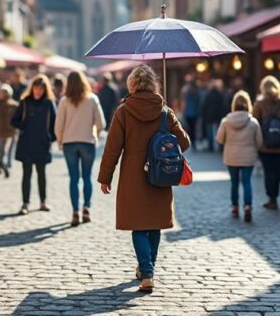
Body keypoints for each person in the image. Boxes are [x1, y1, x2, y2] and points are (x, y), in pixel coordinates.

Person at [98, 64, 190, 294]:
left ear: (132, 84)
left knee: (138, 224)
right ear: (153, 84)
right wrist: (168, 126)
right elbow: (185, 143)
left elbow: (112, 149)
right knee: (154, 223)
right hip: (160, 174)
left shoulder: (123, 111)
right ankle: (148, 269)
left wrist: (105, 177)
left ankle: (146, 272)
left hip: (133, 176)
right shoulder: (164, 111)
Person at [55, 71, 106, 226]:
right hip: (87, 142)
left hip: (69, 142)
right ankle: (86, 208)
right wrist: (96, 135)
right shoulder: (92, 99)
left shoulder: (64, 101)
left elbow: (58, 125)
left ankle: (75, 211)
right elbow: (101, 123)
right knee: (87, 177)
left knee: (74, 178)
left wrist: (60, 140)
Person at [10, 74, 57, 215]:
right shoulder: (25, 102)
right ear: (32, 88)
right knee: (26, 174)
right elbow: (13, 120)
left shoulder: (48, 104)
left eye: (41, 88)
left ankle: (43, 202)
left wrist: (51, 138)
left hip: (42, 144)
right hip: (26, 144)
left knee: (41, 174)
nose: (38, 91)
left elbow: (55, 124)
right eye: (36, 88)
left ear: (45, 89)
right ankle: (25, 203)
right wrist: (23, 126)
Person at [216, 90, 262, 223]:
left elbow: (219, 139)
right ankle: (247, 206)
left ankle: (235, 207)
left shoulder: (226, 121)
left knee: (234, 183)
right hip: (248, 157)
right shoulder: (253, 122)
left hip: (231, 157)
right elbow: (259, 142)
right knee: (247, 182)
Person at [253, 75, 280, 210]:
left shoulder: (259, 103)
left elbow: (254, 122)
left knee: (269, 172)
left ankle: (272, 200)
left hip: (265, 145)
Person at [0, 84, 18, 178]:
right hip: (0, 132)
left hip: (10, 133)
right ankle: (0, 167)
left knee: (5, 152)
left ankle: (4, 167)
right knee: (2, 152)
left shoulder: (14, 105)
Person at [200, 79, 227, 153]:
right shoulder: (220, 94)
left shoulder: (208, 95)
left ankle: (211, 146)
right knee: (218, 130)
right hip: (218, 116)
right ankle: (220, 146)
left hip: (209, 116)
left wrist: (203, 115)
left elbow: (204, 106)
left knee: (210, 132)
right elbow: (223, 106)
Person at [180, 75, 203, 147]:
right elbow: (199, 103)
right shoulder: (197, 93)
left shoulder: (187, 93)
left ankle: (191, 141)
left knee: (190, 128)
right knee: (194, 128)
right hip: (195, 113)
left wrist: (184, 111)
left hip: (188, 113)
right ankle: (194, 142)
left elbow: (184, 103)